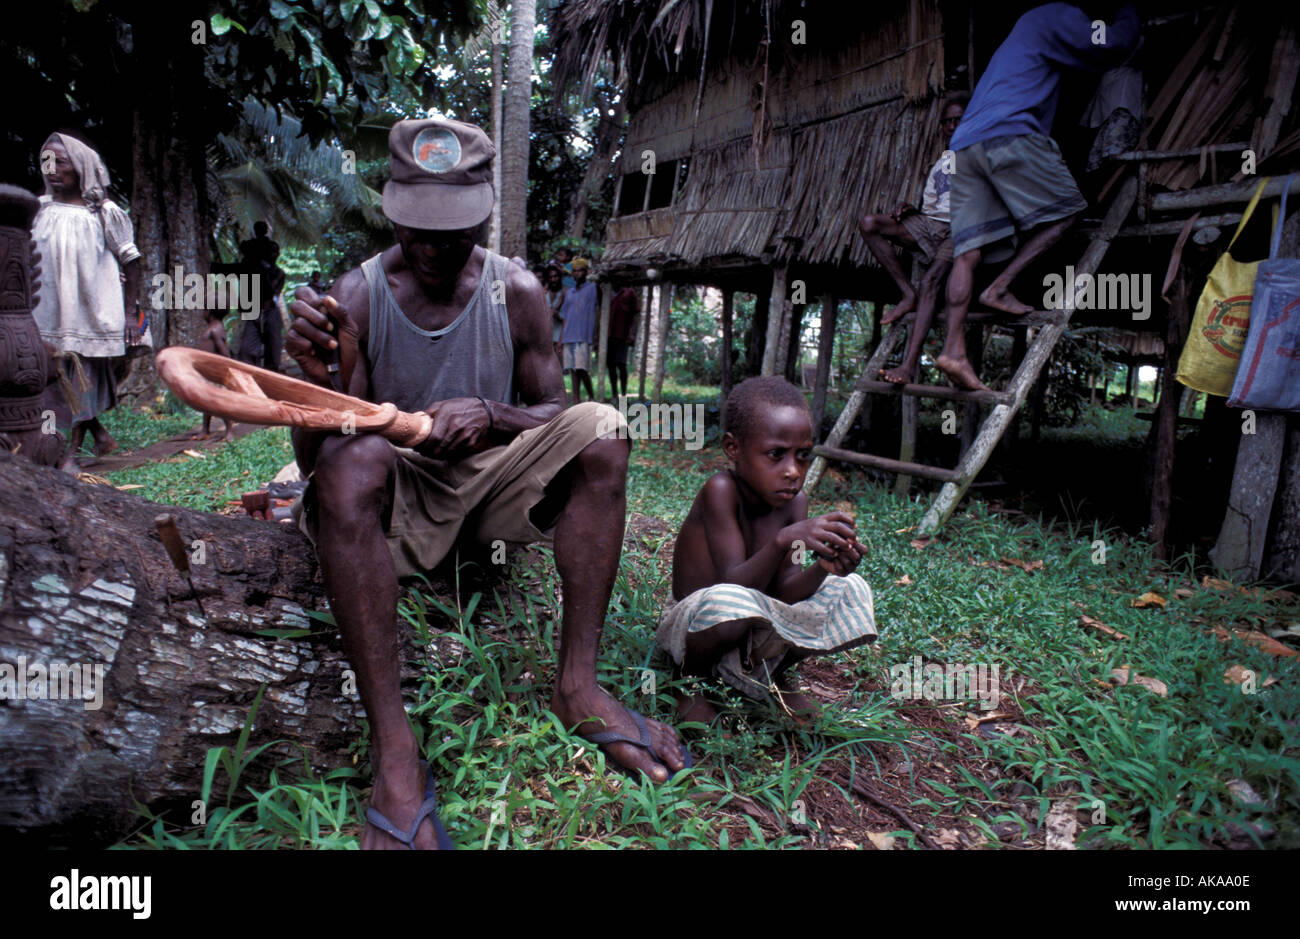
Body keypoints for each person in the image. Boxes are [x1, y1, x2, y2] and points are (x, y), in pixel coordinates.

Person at [284, 117, 688, 850]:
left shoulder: (519, 291)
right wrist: (317, 381)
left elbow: (555, 412)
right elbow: (319, 461)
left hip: (493, 492)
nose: (435, 249)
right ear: (394, 214)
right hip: (399, 491)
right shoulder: (361, 294)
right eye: (419, 231)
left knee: (603, 428)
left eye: (454, 232)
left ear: (482, 217)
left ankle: (579, 684)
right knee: (354, 461)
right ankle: (396, 751)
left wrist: (491, 412)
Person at [940, 2, 1140, 391]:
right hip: (1010, 132)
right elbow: (1108, 45)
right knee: (1068, 213)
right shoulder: (1056, 15)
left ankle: (953, 351)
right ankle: (999, 286)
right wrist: (1130, 15)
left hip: (965, 145)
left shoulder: (1019, 34)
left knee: (966, 253)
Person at [658, 377, 878, 722]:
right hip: (695, 626)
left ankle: (774, 674)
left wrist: (824, 567)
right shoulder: (720, 491)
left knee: (848, 589)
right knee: (729, 601)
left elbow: (785, 591)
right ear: (733, 449)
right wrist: (785, 539)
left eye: (802, 457)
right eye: (776, 455)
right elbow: (732, 583)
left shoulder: (795, 503)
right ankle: (688, 680)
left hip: (751, 617)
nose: (793, 471)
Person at [31, 133, 142, 474]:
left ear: (80, 168)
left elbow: (131, 262)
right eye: (46, 162)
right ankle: (94, 438)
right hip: (47, 312)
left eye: (60, 162)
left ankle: (70, 454)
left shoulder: (104, 214)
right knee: (51, 379)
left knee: (82, 380)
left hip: (89, 313)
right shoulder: (38, 208)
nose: (51, 170)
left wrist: (129, 312)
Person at [858, 95, 967, 384]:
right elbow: (938, 205)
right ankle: (908, 293)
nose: (953, 126)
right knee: (870, 223)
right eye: (948, 122)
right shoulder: (941, 162)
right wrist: (912, 209)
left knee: (931, 281)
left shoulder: (978, 154)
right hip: (929, 224)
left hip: (960, 229)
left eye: (959, 120)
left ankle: (907, 366)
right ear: (942, 127)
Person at [237, 221, 287, 373]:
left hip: (268, 310)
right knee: (246, 351)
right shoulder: (250, 260)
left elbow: (272, 293)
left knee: (273, 351)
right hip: (252, 310)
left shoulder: (277, 273)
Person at [184, 309, 234, 441]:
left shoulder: (215, 330)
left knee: (219, 402)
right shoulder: (213, 328)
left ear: (209, 312)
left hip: (214, 372)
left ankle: (229, 430)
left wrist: (222, 367)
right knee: (206, 401)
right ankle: (205, 429)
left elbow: (224, 352)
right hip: (207, 372)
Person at [559, 257, 598, 404]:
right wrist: (561, 340)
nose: (576, 274)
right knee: (573, 370)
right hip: (569, 335)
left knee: (582, 369)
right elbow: (564, 317)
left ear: (585, 272)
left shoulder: (593, 288)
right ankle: (576, 398)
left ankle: (591, 395)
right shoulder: (570, 293)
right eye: (574, 271)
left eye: (579, 271)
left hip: (583, 335)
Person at [606, 285, 640, 400]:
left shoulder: (630, 292)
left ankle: (624, 394)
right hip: (609, 334)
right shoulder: (608, 290)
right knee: (611, 365)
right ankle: (614, 393)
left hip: (623, 334)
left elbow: (635, 314)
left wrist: (632, 333)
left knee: (621, 364)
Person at [544, 264, 566, 362]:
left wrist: (560, 342)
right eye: (550, 277)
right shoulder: (544, 293)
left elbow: (567, 319)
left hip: (560, 337)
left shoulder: (565, 293)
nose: (553, 279)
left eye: (555, 276)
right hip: (546, 338)